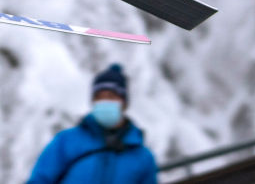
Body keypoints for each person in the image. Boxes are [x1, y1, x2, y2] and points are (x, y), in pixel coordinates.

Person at [27, 64, 158, 184]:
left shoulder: (142, 157)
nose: (105, 102)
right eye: (99, 97)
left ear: (124, 102)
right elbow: (40, 180)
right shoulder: (66, 142)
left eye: (111, 97)